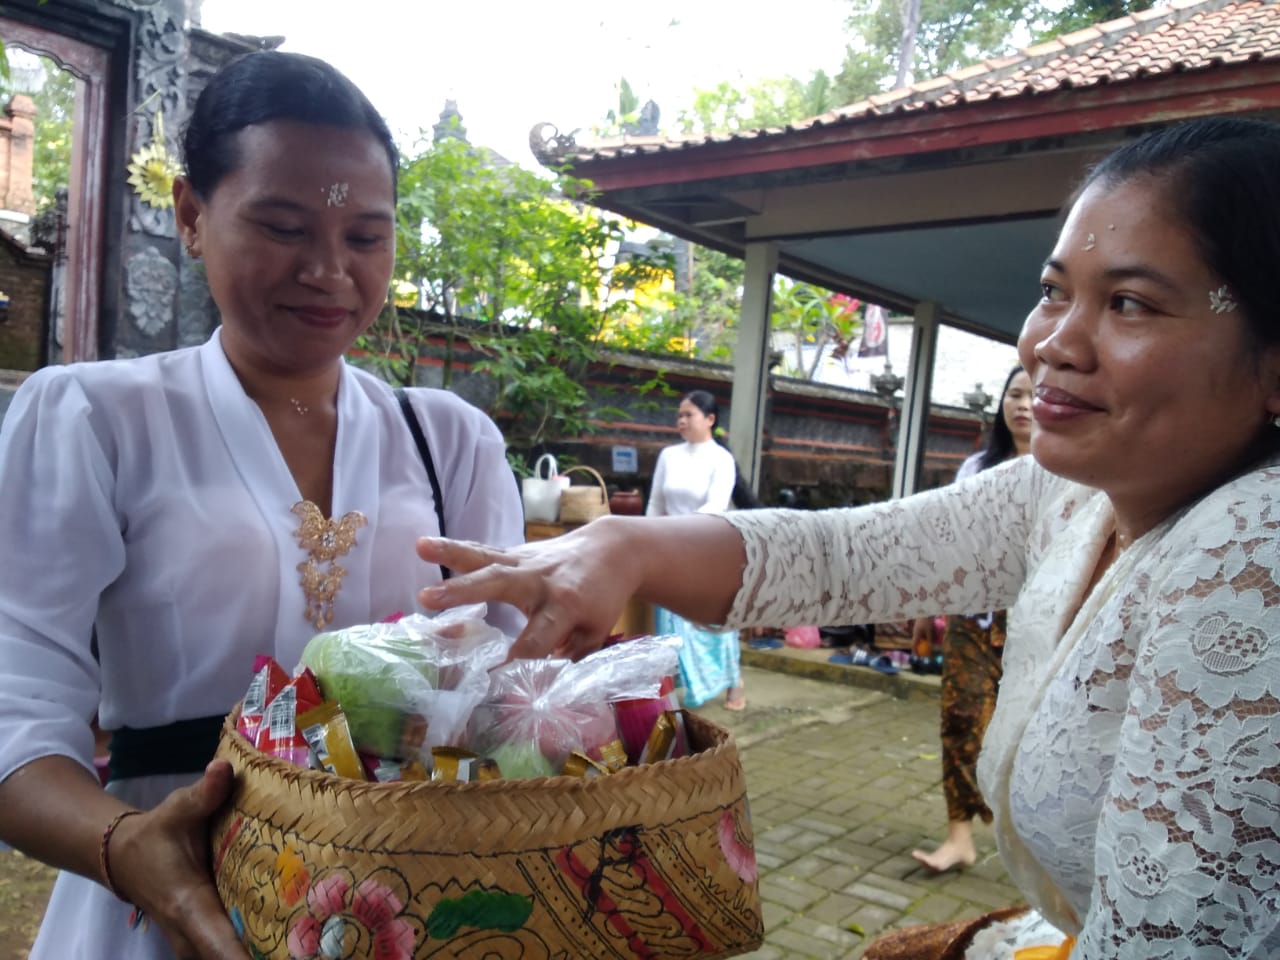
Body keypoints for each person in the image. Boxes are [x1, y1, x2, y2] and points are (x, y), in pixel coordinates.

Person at [418, 116, 1280, 958]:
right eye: (1055, 291)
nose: (1051, 343)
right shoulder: (1075, 495)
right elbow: (842, 555)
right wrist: (624, 548)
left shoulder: (1252, 549)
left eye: (1128, 303)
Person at [0, 52, 524, 960]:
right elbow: (14, 702)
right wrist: (127, 849)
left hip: (407, 902)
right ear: (192, 216)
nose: (328, 271)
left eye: (366, 238)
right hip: (161, 901)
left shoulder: (455, 442)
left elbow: (515, 690)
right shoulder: (95, 418)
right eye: (283, 226)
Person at [910, 365, 1032, 874]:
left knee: (1030, 733)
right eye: (1015, 393)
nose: (1023, 404)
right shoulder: (977, 467)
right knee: (960, 718)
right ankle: (959, 836)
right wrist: (923, 606)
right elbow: (947, 542)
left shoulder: (1073, 470)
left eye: (1035, 395)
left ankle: (1030, 842)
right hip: (972, 618)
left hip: (1038, 622)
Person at [646, 390, 747, 711]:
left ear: (710, 420)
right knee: (672, 624)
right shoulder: (668, 456)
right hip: (668, 550)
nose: (682, 420)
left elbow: (714, 507)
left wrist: (677, 536)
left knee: (711, 624)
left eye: (689, 415)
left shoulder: (721, 459)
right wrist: (646, 538)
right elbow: (655, 504)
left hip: (707, 550)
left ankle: (734, 682)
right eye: (679, 415)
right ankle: (675, 684)